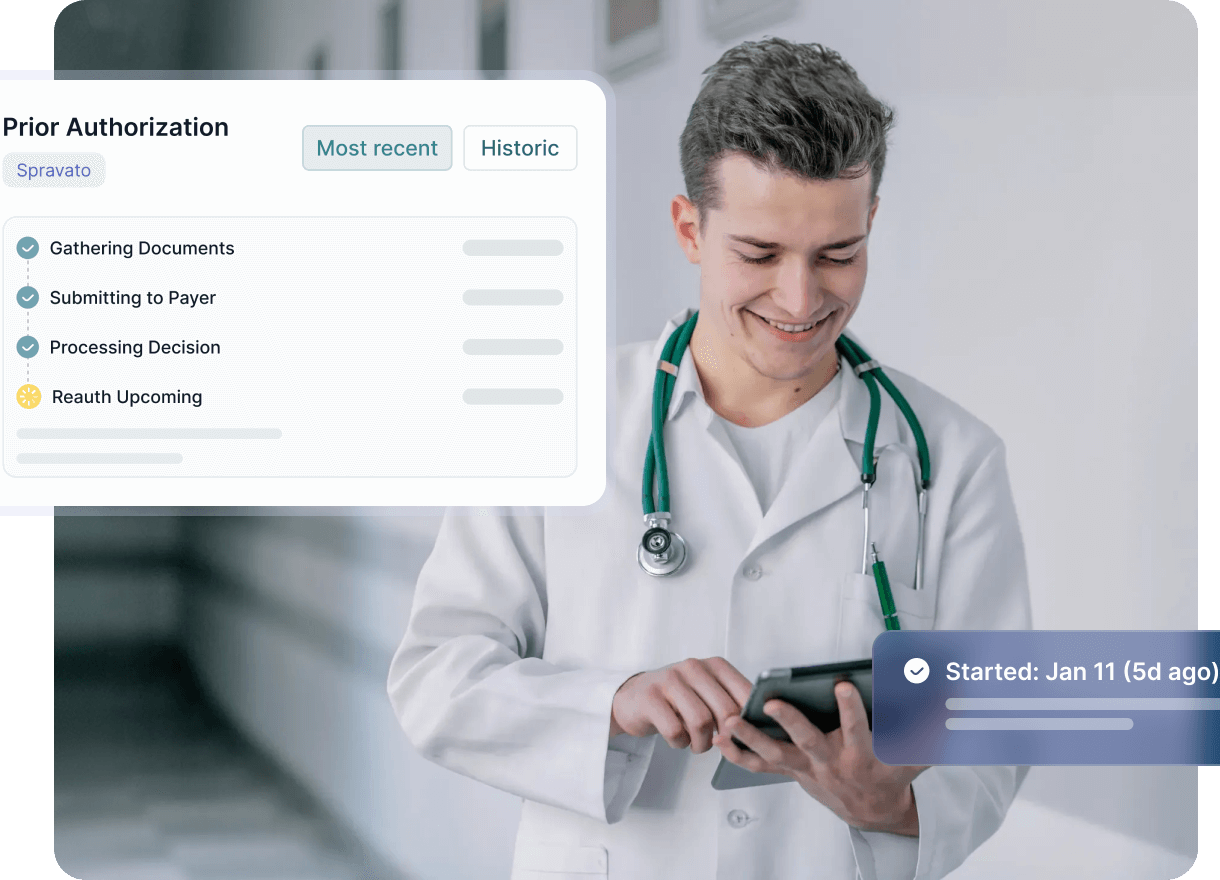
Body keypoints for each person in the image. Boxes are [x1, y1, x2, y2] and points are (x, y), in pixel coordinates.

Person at [388, 37, 1031, 880]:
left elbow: (995, 723)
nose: (800, 298)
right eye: (759, 254)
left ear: (871, 222)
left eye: (837, 255)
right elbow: (436, 679)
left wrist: (893, 805)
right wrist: (612, 703)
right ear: (690, 229)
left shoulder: (951, 458)